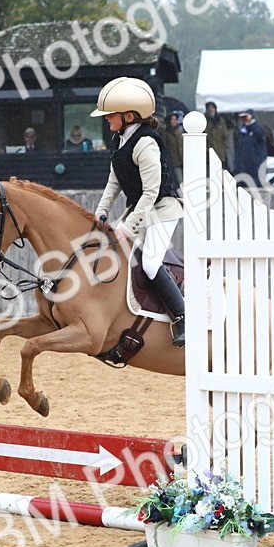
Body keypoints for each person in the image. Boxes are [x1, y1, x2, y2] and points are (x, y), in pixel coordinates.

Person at [91, 77, 185, 347]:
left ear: (129, 116)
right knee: (114, 252)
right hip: (141, 209)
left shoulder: (146, 143)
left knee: (151, 263)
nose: (107, 120)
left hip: (163, 210)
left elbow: (151, 192)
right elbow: (114, 182)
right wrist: (100, 214)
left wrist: (127, 226)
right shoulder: (119, 139)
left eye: (111, 116)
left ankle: (182, 316)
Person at [233, 109, 267, 188]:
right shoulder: (242, 133)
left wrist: (251, 121)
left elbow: (260, 133)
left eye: (246, 117)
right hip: (244, 167)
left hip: (256, 167)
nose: (245, 119)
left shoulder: (258, 130)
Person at [204, 101, 232, 170]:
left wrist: (224, 146)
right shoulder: (205, 121)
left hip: (220, 151)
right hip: (208, 152)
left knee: (220, 171)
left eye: (212, 107)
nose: (211, 109)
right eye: (209, 108)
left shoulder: (220, 121)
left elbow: (226, 135)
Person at [161, 112, 185, 182]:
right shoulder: (165, 133)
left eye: (175, 119)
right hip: (174, 161)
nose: (174, 121)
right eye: (172, 119)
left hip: (182, 160)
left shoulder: (180, 132)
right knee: (179, 180)